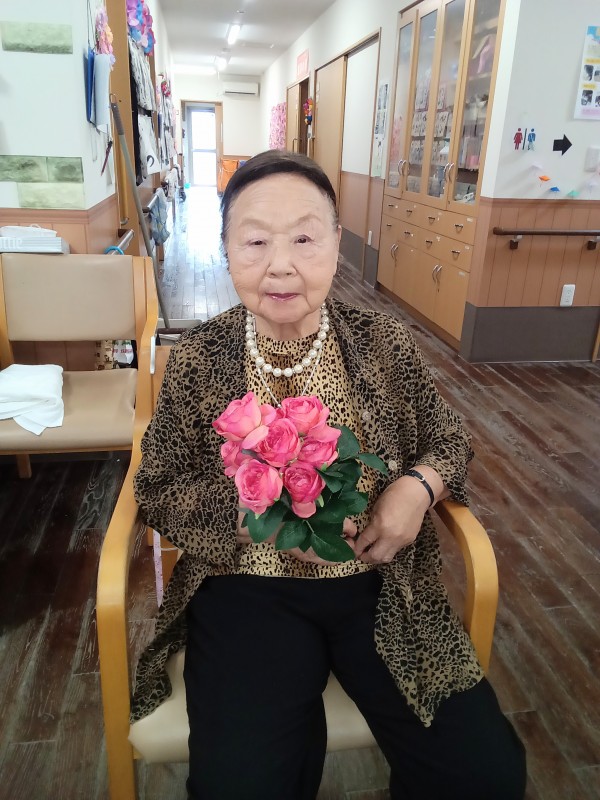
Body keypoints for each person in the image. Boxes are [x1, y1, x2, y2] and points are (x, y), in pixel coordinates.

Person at [132, 150, 526, 800]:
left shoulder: (383, 342)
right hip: (246, 588)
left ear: (337, 244)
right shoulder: (200, 355)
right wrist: (255, 516)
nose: (281, 265)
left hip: (378, 581)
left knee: (483, 774)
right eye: (255, 241)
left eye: (305, 238)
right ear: (226, 248)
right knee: (243, 786)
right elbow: (158, 487)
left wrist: (417, 488)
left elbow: (448, 438)